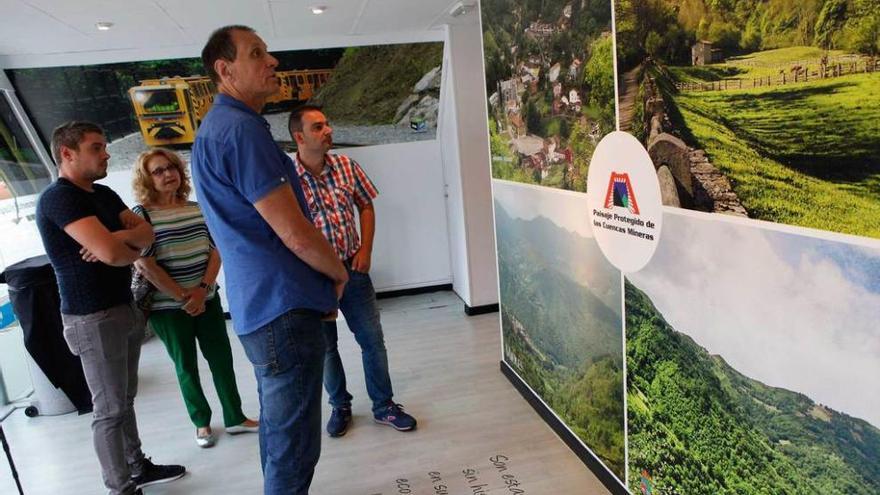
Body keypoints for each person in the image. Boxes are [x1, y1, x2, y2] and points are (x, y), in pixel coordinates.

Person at [191, 26, 348, 495]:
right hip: (282, 306)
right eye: (257, 54)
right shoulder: (240, 131)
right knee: (294, 446)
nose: (273, 61)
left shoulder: (219, 129)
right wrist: (338, 271)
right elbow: (295, 233)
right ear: (225, 70)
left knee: (280, 437)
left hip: (258, 303)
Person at [35, 121, 185, 495]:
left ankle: (137, 467)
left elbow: (146, 234)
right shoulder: (59, 198)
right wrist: (118, 244)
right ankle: (120, 487)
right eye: (96, 147)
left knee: (125, 400)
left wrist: (117, 238)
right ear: (67, 154)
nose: (106, 153)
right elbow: (114, 254)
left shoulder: (101, 194)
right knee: (110, 409)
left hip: (123, 307)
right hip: (92, 317)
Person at [288, 105, 417, 437]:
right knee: (325, 346)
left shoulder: (346, 166)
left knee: (372, 340)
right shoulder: (286, 180)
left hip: (354, 269)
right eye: (318, 127)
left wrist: (366, 249)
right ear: (299, 137)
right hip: (314, 277)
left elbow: (366, 204)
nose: (328, 130)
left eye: (328, 124)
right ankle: (339, 405)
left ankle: (384, 405)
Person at [130, 148, 259, 448]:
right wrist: (182, 297)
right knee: (185, 364)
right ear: (146, 179)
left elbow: (216, 250)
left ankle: (235, 417)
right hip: (167, 308)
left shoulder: (197, 207)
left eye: (171, 167)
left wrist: (202, 289)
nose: (167, 174)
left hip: (207, 299)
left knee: (221, 360)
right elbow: (145, 264)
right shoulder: (142, 215)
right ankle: (201, 422)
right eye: (158, 171)